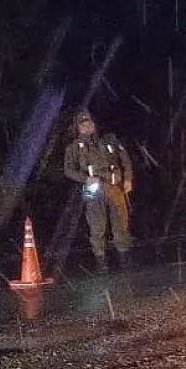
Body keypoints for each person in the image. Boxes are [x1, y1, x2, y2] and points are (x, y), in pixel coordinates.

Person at [63, 110, 134, 274]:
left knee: (121, 221)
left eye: (89, 123)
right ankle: (101, 262)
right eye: (83, 124)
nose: (87, 127)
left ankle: (124, 259)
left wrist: (128, 179)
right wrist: (84, 178)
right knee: (96, 225)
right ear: (78, 128)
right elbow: (68, 170)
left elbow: (125, 159)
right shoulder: (74, 148)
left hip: (113, 184)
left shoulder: (109, 140)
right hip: (92, 187)